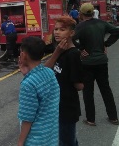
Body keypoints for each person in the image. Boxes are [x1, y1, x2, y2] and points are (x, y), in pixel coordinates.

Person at [74, 2, 119, 126]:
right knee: (105, 89)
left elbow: (71, 38)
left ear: (81, 14)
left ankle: (91, 119)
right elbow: (117, 32)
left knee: (88, 91)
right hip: (101, 61)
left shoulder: (80, 26)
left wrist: (80, 48)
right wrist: (106, 44)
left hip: (87, 63)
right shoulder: (102, 23)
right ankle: (113, 117)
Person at [44, 16, 84, 146]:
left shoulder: (73, 55)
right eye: (55, 29)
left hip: (67, 107)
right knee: (66, 139)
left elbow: (79, 86)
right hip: (57, 106)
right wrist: (57, 52)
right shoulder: (61, 50)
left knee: (66, 141)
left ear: (72, 33)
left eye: (62, 29)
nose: (57, 32)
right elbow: (45, 70)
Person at [17, 36, 59, 146]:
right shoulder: (49, 73)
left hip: (36, 139)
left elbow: (27, 118)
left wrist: (20, 142)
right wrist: (26, 74)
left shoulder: (28, 84)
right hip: (51, 135)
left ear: (24, 55)